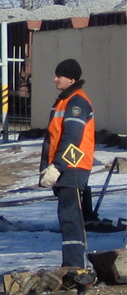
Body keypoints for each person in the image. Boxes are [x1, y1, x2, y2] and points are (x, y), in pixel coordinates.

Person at [39, 58, 95, 268]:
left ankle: (74, 266)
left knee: (71, 218)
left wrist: (58, 166)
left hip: (72, 168)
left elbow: (73, 139)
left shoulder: (77, 102)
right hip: (65, 168)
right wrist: (47, 167)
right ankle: (71, 264)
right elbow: (52, 138)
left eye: (59, 76)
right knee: (67, 217)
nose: (55, 79)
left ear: (70, 79)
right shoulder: (64, 101)